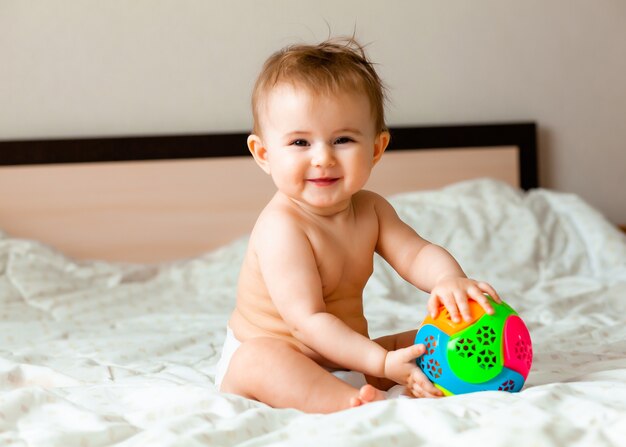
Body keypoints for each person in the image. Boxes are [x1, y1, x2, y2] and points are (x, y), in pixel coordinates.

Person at [214, 37, 501, 413]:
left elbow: (416, 254)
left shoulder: (371, 210)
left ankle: (428, 377)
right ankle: (346, 402)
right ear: (264, 154)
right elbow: (307, 322)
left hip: (347, 356)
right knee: (260, 358)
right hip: (279, 359)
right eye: (300, 142)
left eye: (343, 139)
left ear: (376, 149)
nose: (323, 158)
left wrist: (449, 281)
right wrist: (379, 364)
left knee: (429, 340)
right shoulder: (281, 228)